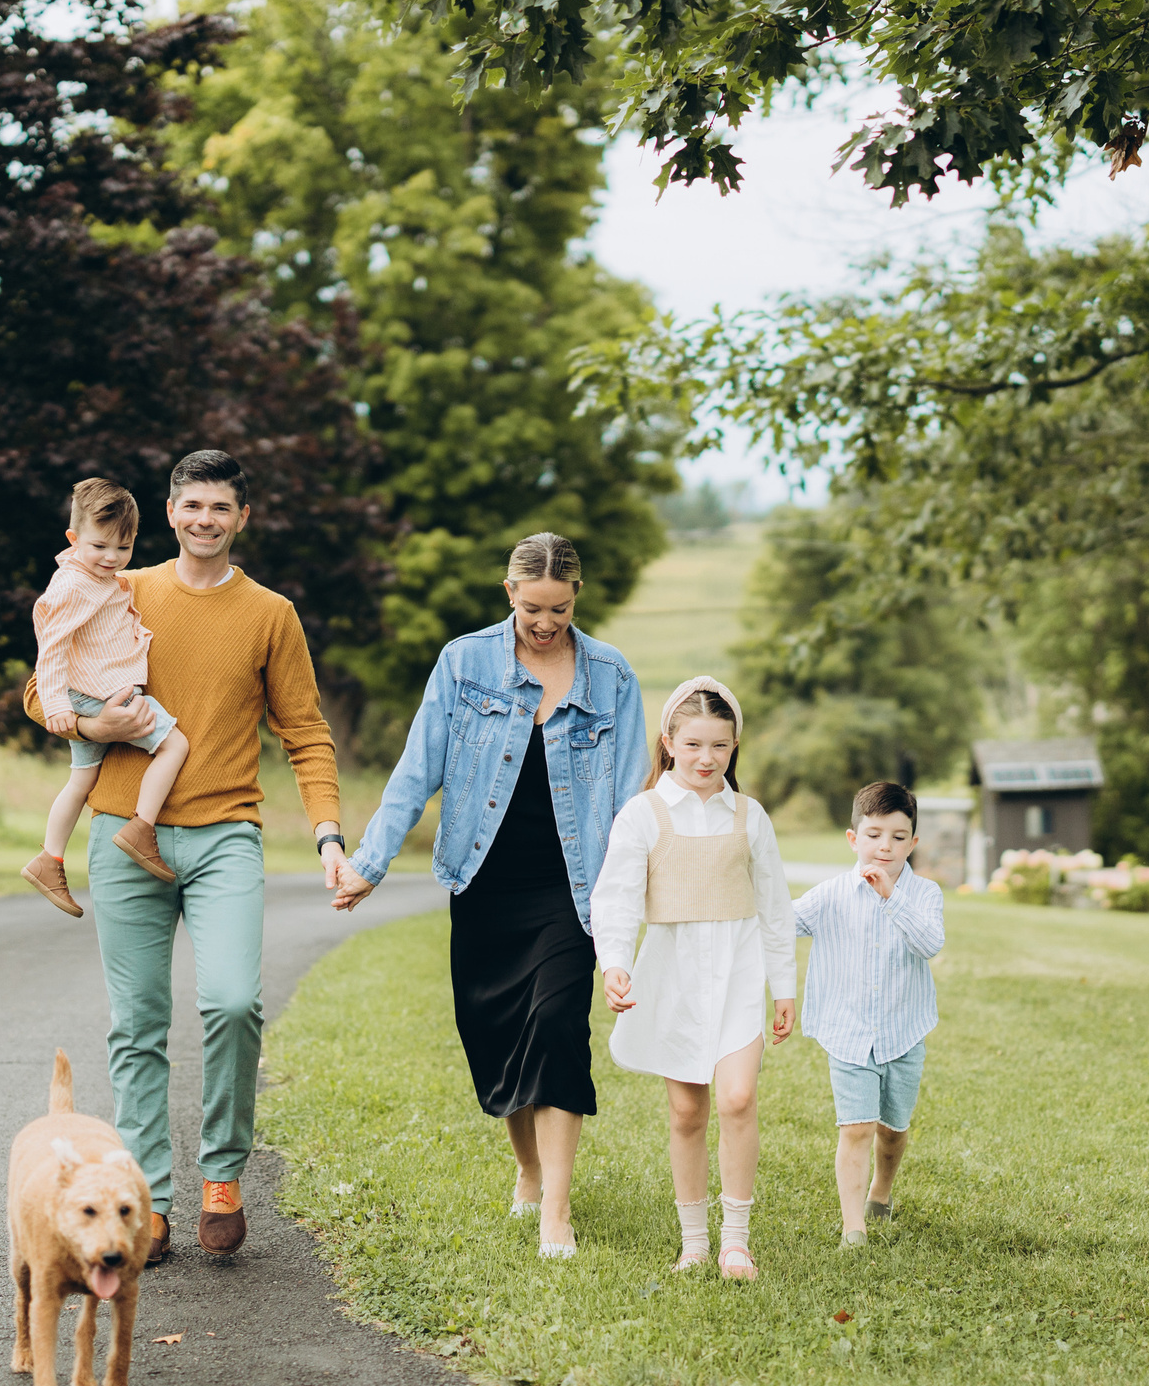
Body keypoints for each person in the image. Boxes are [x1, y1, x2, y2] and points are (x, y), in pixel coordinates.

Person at [21, 450, 350, 1264]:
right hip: (123, 836)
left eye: (221, 507)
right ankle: (149, 1201)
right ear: (169, 512)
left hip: (224, 834)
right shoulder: (120, 584)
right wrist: (87, 727)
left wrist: (330, 835)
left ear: (242, 518)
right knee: (137, 1025)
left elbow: (304, 732)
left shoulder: (271, 613)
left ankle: (223, 1178)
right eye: (191, 504)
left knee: (234, 1002)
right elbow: (42, 685)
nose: (205, 518)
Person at [331, 533, 646, 1259]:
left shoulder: (611, 675)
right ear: (509, 592)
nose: (545, 623)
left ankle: (556, 1213)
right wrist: (370, 861)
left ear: (577, 599)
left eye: (560, 610)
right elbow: (418, 768)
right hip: (484, 880)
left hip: (574, 886)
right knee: (498, 1037)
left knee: (559, 1024)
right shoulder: (464, 661)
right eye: (533, 607)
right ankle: (529, 1168)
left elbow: (632, 797)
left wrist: (629, 899)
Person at [593, 677, 795, 1281]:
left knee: (736, 1097)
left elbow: (775, 906)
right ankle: (695, 1241)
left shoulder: (749, 817)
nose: (708, 759)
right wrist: (616, 964)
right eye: (696, 745)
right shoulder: (644, 814)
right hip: (673, 975)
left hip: (737, 969)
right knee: (687, 1112)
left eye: (722, 747)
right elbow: (618, 897)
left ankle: (737, 1240)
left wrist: (784, 987)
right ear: (670, 742)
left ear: (735, 748)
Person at [19, 478, 192, 917]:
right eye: (99, 547)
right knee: (175, 745)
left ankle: (49, 859)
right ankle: (142, 827)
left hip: (92, 693)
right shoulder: (74, 586)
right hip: (99, 695)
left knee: (81, 780)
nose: (112, 559)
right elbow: (52, 645)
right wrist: (57, 705)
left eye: (124, 548)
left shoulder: (96, 578)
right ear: (73, 539)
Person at [791, 780, 945, 1248]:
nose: (886, 846)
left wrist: (890, 897)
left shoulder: (924, 894)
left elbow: (930, 943)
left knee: (892, 1131)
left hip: (902, 1032)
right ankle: (853, 1226)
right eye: (875, 834)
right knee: (856, 1127)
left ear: (913, 843)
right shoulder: (829, 895)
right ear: (854, 838)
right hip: (849, 1031)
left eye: (899, 837)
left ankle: (882, 1189)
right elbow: (779, 924)